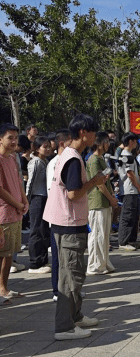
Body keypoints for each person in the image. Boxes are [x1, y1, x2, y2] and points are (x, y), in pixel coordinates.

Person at [43, 114, 108, 340]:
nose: (95, 137)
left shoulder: (69, 155)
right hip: (68, 224)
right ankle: (65, 327)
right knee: (70, 277)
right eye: (93, 132)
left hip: (67, 222)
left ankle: (75, 316)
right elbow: (73, 194)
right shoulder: (72, 159)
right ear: (83, 133)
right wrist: (94, 182)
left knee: (75, 273)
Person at [0, 123, 29, 305]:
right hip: (4, 213)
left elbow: (18, 182)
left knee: (9, 253)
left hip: (16, 212)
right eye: (10, 138)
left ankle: (3, 287)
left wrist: (24, 200)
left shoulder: (12, 158)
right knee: (2, 253)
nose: (14, 141)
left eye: (15, 138)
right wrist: (17, 203)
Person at [86, 132, 117, 274]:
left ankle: (103, 262)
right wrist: (111, 199)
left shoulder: (101, 159)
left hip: (104, 202)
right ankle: (95, 265)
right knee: (97, 234)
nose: (108, 145)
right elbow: (98, 184)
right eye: (106, 142)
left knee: (104, 235)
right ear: (99, 143)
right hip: (97, 202)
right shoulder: (93, 160)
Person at [46, 129, 72, 302]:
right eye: (70, 141)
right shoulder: (55, 163)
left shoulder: (68, 160)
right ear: (62, 143)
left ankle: (67, 288)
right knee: (57, 256)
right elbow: (53, 191)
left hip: (67, 216)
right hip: (58, 216)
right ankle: (57, 290)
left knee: (67, 257)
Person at [27, 136, 52, 273]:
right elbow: (30, 183)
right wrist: (27, 200)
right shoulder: (35, 162)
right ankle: (35, 262)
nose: (48, 149)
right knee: (36, 230)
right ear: (37, 149)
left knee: (43, 230)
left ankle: (43, 260)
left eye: (49, 146)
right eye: (44, 146)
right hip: (36, 198)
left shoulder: (45, 161)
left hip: (44, 198)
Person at [117, 132, 140, 251]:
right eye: (135, 140)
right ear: (130, 141)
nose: (136, 143)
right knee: (128, 216)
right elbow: (130, 174)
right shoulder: (126, 155)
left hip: (133, 190)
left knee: (134, 215)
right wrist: (139, 188)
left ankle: (131, 240)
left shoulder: (129, 155)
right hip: (129, 190)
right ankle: (123, 241)